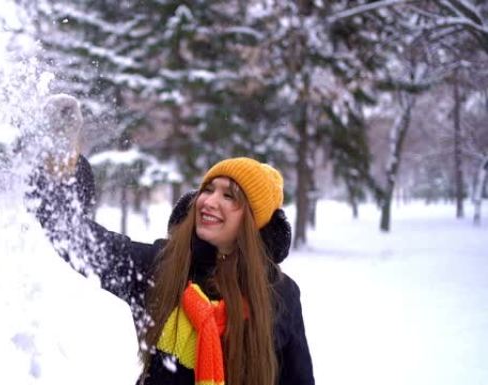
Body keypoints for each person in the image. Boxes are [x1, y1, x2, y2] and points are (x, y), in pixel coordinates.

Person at [28, 96, 314, 385]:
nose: (209, 201)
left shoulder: (280, 294)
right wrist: (63, 169)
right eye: (208, 189)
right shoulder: (163, 266)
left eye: (229, 196)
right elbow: (79, 241)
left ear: (253, 222)